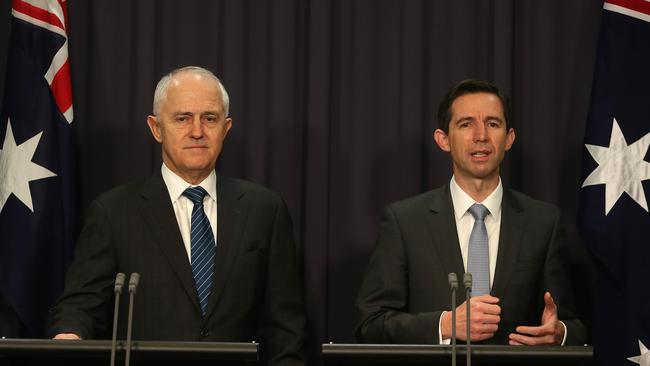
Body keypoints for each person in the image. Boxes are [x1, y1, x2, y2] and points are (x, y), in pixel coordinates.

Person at [47, 66, 306, 365]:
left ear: (226, 128)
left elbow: (286, 330)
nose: (197, 131)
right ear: (156, 128)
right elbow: (80, 305)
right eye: (182, 118)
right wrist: (70, 334)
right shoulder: (113, 213)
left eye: (209, 118)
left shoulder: (265, 210)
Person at [355, 79, 586, 345]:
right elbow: (370, 324)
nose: (481, 136)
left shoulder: (544, 222)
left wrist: (560, 334)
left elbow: (574, 326)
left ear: (509, 138)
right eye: (466, 124)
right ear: (443, 140)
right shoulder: (405, 222)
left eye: (493, 123)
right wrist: (444, 324)